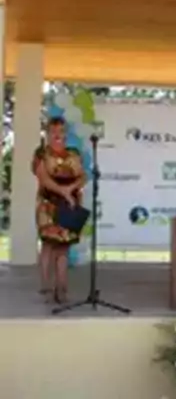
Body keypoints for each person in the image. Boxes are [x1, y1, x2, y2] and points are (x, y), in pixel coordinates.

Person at [32, 117, 86, 304]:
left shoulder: (74, 154)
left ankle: (62, 288)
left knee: (64, 246)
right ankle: (46, 287)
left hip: (69, 204)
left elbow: (82, 176)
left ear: (65, 134)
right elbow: (44, 178)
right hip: (48, 204)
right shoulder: (42, 153)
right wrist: (64, 191)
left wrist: (70, 190)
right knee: (48, 244)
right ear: (47, 134)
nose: (57, 135)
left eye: (61, 131)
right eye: (53, 131)